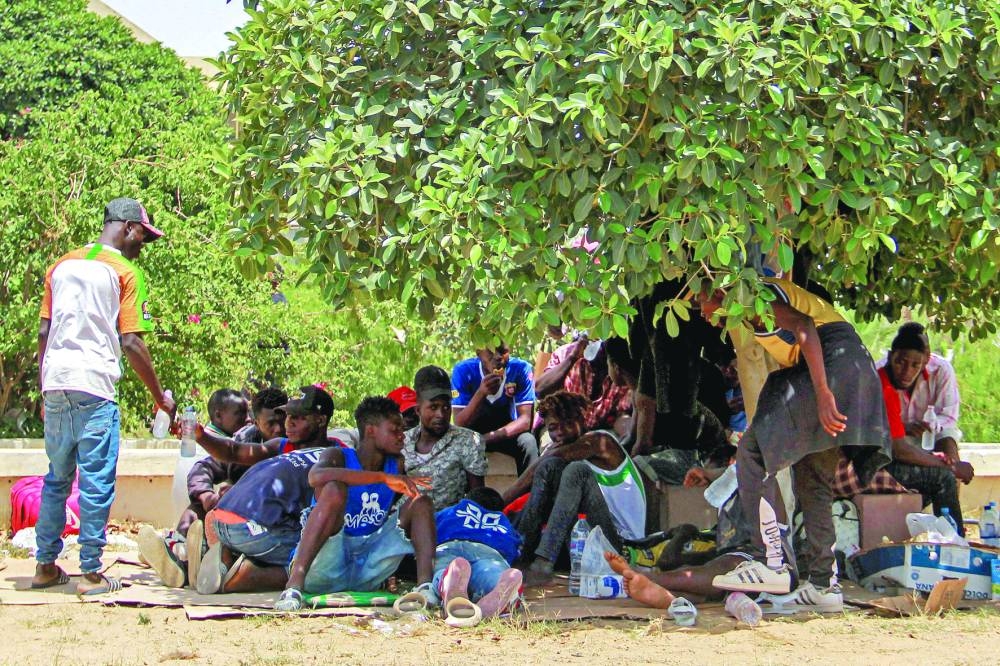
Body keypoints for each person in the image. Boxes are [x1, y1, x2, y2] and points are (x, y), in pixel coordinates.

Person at [699, 278, 891, 614]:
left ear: (719, 290)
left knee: (753, 452)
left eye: (699, 301)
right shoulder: (747, 310)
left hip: (833, 366)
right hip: (850, 367)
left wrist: (823, 393)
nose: (699, 312)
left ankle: (771, 562)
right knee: (812, 474)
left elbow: (803, 326)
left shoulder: (753, 297)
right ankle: (823, 583)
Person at [32, 197, 175, 596]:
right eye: (143, 237)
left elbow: (44, 333)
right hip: (95, 387)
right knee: (95, 483)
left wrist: (46, 385)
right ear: (128, 227)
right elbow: (131, 341)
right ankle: (92, 574)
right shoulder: (124, 272)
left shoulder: (61, 264)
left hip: (57, 383)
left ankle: (45, 566)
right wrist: (160, 396)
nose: (142, 246)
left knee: (56, 479)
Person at [140, 386, 339, 589]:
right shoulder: (279, 445)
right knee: (321, 557)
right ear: (256, 421)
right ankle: (234, 571)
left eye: (298, 417)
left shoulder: (336, 453)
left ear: (321, 420)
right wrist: (201, 437)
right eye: (287, 416)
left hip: (236, 523)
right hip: (249, 523)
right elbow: (232, 451)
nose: (286, 424)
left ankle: (203, 558)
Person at [274, 397, 435, 611]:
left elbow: (395, 516)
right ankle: (294, 586)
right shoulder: (337, 455)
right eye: (395, 429)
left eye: (402, 430)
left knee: (421, 502)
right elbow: (315, 477)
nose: (402, 436)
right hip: (326, 565)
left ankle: (426, 587)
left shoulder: (396, 464)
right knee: (334, 488)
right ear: (370, 431)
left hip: (367, 568)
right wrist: (381, 478)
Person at [509, 392, 649, 586]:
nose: (560, 433)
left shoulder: (600, 441)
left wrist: (502, 498)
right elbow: (546, 466)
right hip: (583, 543)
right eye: (553, 428)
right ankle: (521, 556)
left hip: (620, 547)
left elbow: (548, 461)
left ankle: (543, 563)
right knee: (551, 468)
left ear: (582, 419)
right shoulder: (560, 454)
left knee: (576, 471)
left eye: (567, 423)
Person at [875, 324, 973, 534]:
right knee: (942, 477)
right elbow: (898, 448)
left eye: (914, 365)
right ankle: (955, 541)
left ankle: (941, 529)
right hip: (877, 459)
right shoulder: (881, 382)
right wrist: (950, 468)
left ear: (926, 359)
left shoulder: (941, 370)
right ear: (891, 356)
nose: (906, 372)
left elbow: (948, 420)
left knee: (947, 443)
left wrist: (946, 458)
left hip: (919, 439)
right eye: (900, 362)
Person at [403, 366, 487, 510]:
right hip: (402, 523)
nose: (441, 415)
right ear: (418, 410)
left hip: (448, 524)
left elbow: (477, 498)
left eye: (446, 407)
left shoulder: (467, 441)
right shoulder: (402, 442)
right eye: (433, 407)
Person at [433, 487, 523, 618]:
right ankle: (500, 587)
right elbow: (513, 546)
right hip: (489, 552)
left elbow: (429, 528)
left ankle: (447, 579)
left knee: (443, 568)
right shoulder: (502, 520)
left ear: (466, 500)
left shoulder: (452, 511)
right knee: (492, 574)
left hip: (450, 546)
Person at [452, 343, 539, 475]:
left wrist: (486, 439)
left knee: (528, 442)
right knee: (459, 446)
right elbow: (459, 423)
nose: (498, 357)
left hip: (508, 432)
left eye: (502, 351)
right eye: (491, 352)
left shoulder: (520, 369)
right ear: (478, 352)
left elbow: (526, 421)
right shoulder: (464, 371)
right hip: (474, 433)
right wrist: (481, 393)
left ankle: (529, 492)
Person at [533, 336, 632, 437]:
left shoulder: (620, 370)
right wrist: (572, 357)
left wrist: (630, 435)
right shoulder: (566, 353)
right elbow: (540, 391)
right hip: (556, 428)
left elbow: (621, 416)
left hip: (594, 433)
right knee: (552, 449)